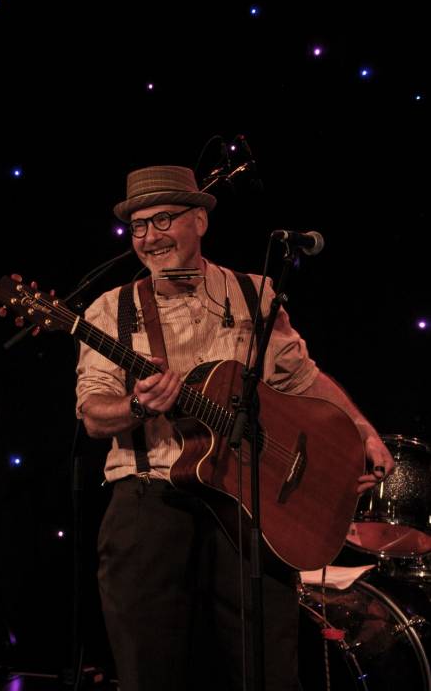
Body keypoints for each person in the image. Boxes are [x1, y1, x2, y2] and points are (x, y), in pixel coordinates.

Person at [76, 165, 394, 691]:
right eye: (138, 227)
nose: (150, 237)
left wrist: (363, 431)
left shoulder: (254, 293)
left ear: (199, 221)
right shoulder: (112, 309)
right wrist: (137, 404)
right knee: (151, 672)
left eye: (163, 220)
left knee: (269, 670)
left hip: (253, 502)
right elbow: (92, 413)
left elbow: (303, 379)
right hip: (151, 499)